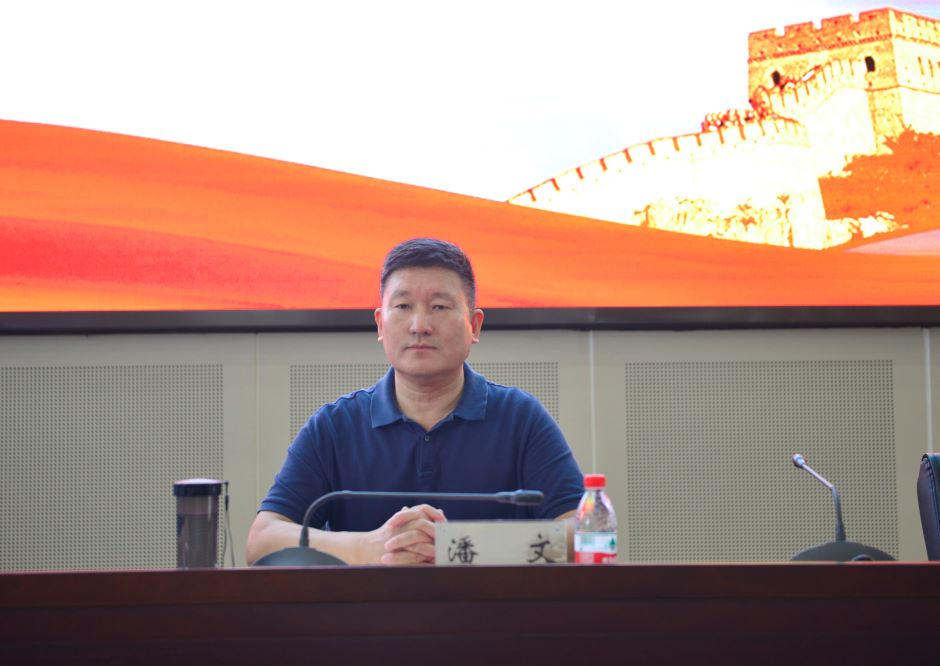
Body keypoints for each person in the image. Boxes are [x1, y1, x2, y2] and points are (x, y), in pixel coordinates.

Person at [245, 238, 584, 565]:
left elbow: (584, 533)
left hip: (489, 606)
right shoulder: (335, 426)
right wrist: (369, 548)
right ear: (380, 324)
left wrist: (455, 547)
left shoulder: (520, 419)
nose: (420, 325)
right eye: (403, 307)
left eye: (439, 307)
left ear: (474, 326)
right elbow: (262, 540)